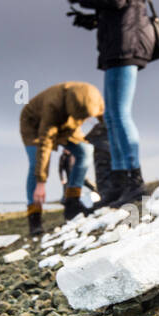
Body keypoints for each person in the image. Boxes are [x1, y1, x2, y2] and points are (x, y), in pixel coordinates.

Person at [62, 0, 156, 207]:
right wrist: (90, 20)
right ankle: (119, 183)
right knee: (115, 116)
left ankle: (132, 181)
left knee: (118, 114)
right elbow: (122, 5)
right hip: (122, 42)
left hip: (124, 45)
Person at [20, 82, 105, 234]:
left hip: (67, 124)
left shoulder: (93, 98)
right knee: (35, 164)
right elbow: (44, 146)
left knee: (84, 151)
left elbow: (105, 119)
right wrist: (41, 182)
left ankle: (72, 203)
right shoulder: (52, 106)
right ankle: (34, 217)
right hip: (34, 125)